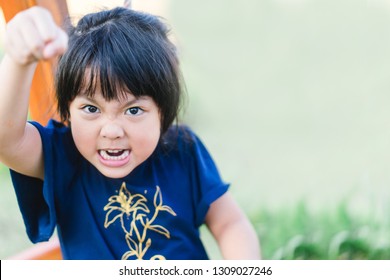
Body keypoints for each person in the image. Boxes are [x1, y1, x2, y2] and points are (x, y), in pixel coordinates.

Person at [0, 6, 260, 260]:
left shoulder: (183, 149)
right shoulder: (62, 157)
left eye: (133, 110)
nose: (112, 130)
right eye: (91, 108)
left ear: (163, 112)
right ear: (67, 110)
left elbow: (229, 223)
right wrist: (18, 60)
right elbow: (6, 141)